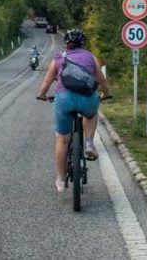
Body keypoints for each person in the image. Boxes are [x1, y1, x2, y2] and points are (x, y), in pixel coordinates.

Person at [36, 28, 110, 192]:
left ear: (66, 43)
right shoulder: (90, 57)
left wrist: (41, 95)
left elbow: (47, 81)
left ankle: (62, 179)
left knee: (62, 140)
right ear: (83, 43)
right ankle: (89, 143)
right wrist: (106, 94)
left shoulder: (59, 58)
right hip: (87, 98)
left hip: (64, 99)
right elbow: (101, 79)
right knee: (91, 115)